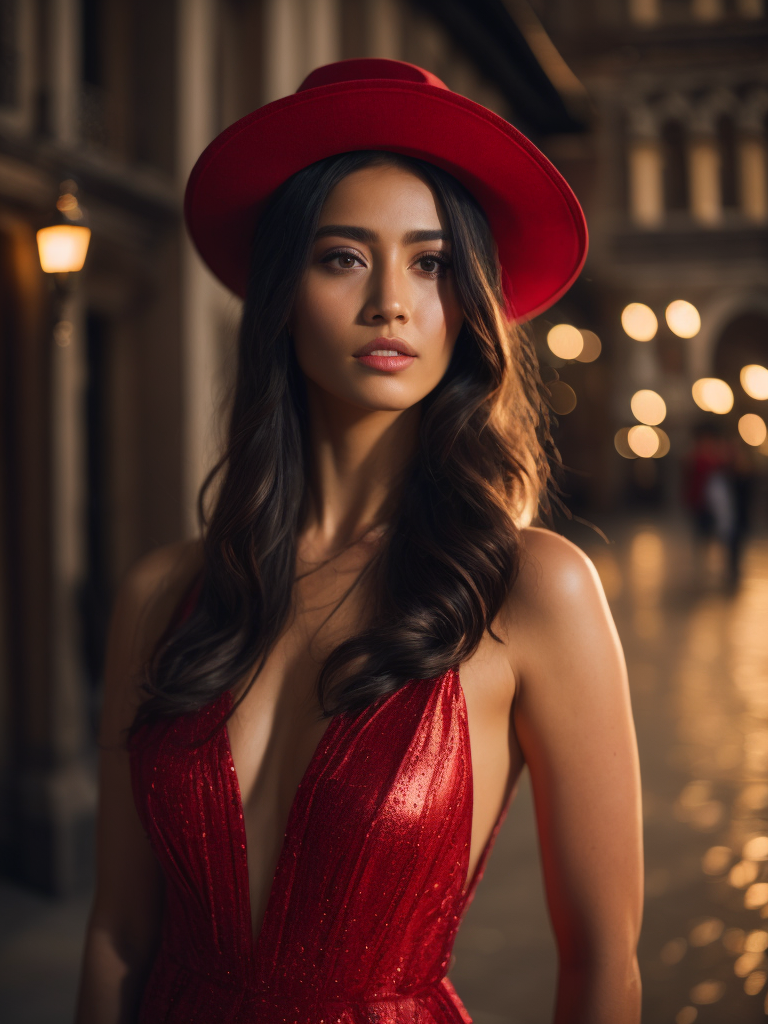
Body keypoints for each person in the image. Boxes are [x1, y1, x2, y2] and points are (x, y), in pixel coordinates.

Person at [75, 59, 642, 1024]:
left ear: (469, 304)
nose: (391, 302)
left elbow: (602, 966)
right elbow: (118, 938)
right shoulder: (165, 593)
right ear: (282, 289)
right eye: (343, 256)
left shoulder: (534, 591)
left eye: (430, 263)